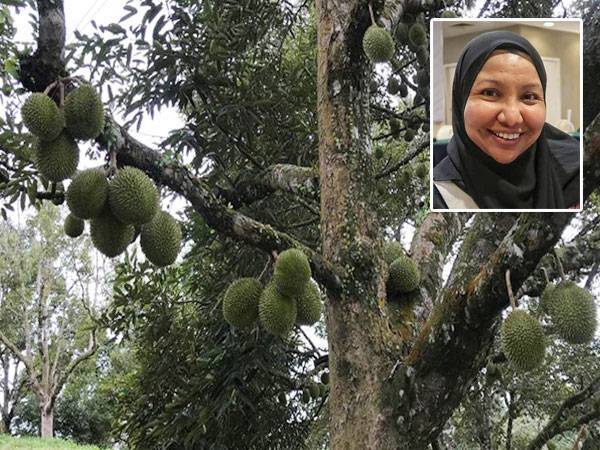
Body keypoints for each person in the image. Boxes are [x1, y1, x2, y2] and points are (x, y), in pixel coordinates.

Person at [433, 31, 580, 209]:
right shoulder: (441, 194)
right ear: (461, 99)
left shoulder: (578, 169)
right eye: (490, 93)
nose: (512, 118)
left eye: (529, 96)